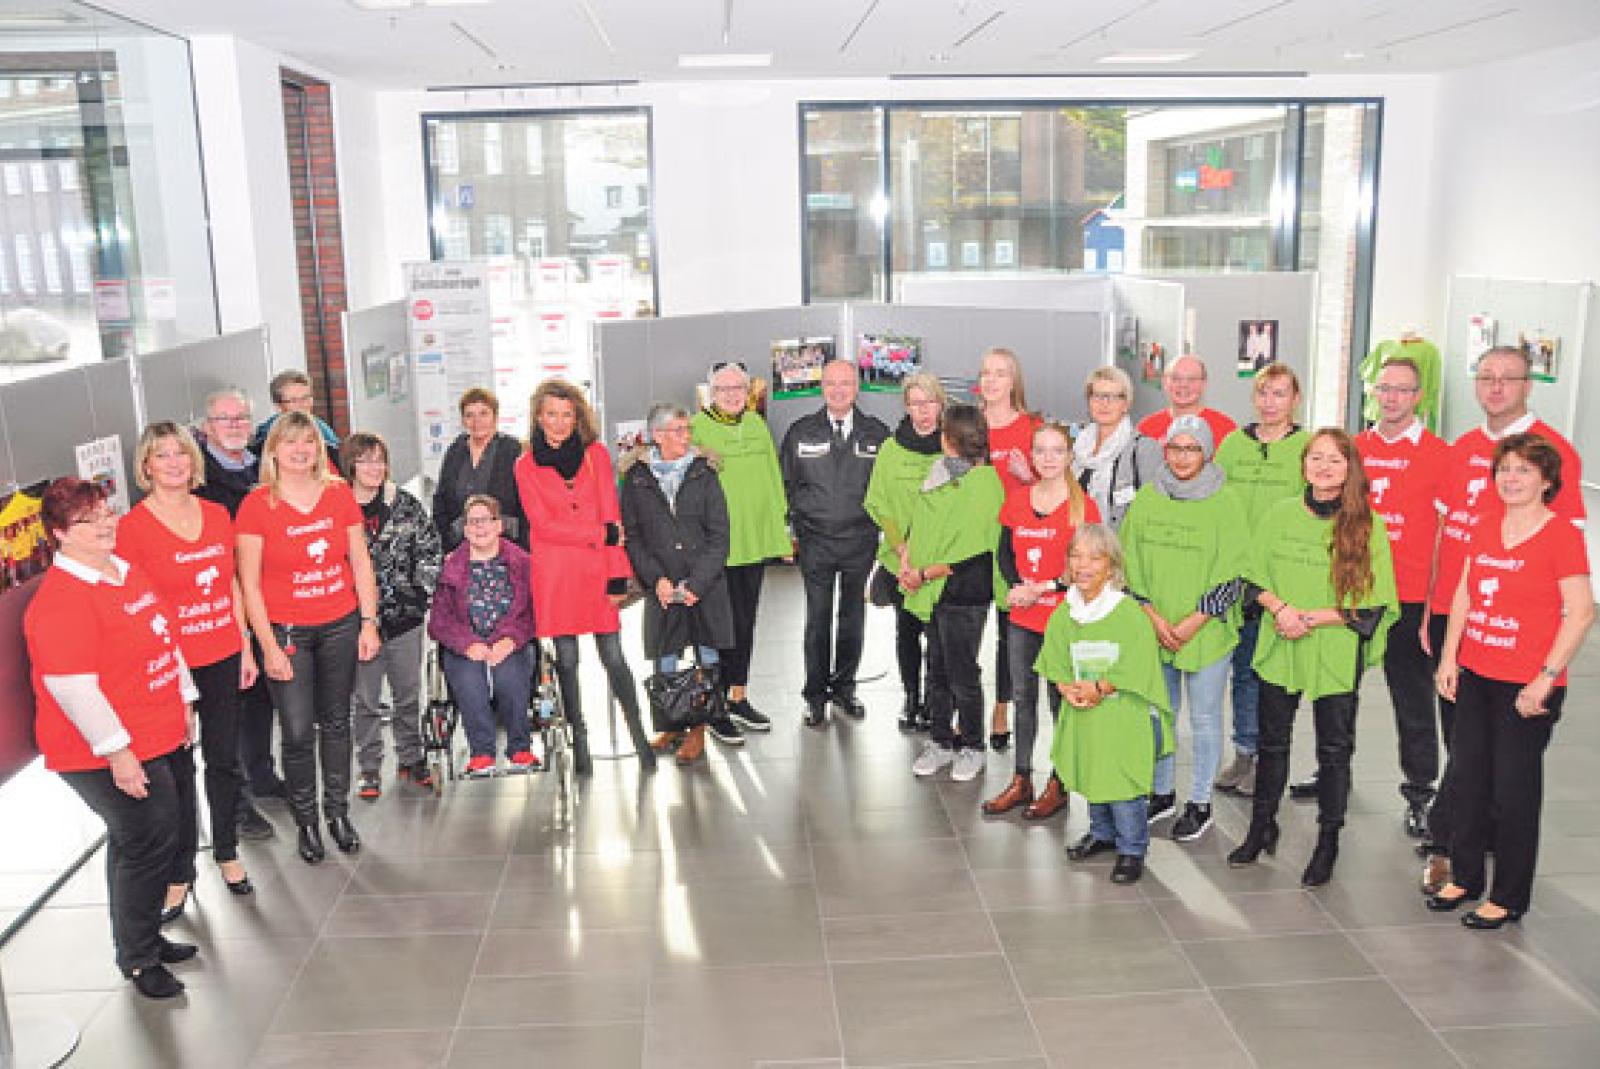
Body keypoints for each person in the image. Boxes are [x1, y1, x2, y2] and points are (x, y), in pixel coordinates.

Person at [24, 478, 200, 999]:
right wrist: (118, 754)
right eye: (88, 520)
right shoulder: (60, 600)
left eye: (106, 512)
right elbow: (74, 689)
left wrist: (184, 697)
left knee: (150, 839)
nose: (104, 524)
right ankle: (139, 958)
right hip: (99, 749)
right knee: (145, 840)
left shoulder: (123, 570)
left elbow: (164, 637)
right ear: (59, 533)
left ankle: (143, 938)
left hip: (156, 728)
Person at [1420, 345, 1585, 893]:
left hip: (1525, 654)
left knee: (1510, 773)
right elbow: (1451, 551)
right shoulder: (1465, 457)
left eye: (1507, 378)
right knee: (1466, 757)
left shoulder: (1556, 461)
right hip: (1464, 636)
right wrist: (1436, 623)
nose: (1495, 387)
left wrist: (1547, 671)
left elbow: (1575, 598)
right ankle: (1464, 853)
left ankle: (1464, 857)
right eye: (1485, 376)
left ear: (1527, 385)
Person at [1227, 429, 1396, 887]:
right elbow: (1250, 576)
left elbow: (1374, 604)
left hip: (1334, 644)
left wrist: (1313, 618)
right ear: (1302, 464)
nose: (1323, 467)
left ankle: (1328, 841)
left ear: (1349, 469)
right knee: (1272, 743)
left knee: (1334, 750)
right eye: (1316, 458)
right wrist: (1281, 610)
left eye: (1334, 460)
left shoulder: (1368, 525)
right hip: (1281, 638)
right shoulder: (1279, 515)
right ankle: (1262, 826)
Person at [116, 424, 257, 922]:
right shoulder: (131, 529)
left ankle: (227, 851)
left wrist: (244, 645)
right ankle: (180, 872)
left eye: (181, 453)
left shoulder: (217, 514)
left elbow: (232, 585)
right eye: (162, 455)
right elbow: (132, 606)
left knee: (224, 760)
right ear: (146, 466)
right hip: (168, 666)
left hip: (222, 651)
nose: (174, 463)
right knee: (177, 770)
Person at [236, 411, 382, 864]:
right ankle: (307, 822)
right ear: (274, 451)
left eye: (308, 442)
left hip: (340, 623)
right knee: (297, 731)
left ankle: (338, 814)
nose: (300, 451)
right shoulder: (256, 505)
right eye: (291, 442)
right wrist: (267, 646)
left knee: (336, 722)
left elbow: (360, 562)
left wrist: (369, 621)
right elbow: (249, 584)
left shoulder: (338, 495)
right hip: (286, 632)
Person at [516, 379, 655, 775]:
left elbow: (613, 517)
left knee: (615, 658)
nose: (560, 423)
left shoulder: (595, 455)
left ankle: (640, 738)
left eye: (567, 415)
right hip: (557, 578)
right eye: (551, 415)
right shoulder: (524, 465)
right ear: (538, 417)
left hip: (597, 573)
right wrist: (598, 534)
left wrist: (618, 574)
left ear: (577, 417)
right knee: (567, 662)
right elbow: (543, 526)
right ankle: (580, 742)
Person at [1120, 415, 1248, 842]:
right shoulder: (1148, 498)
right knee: (1161, 714)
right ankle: (1161, 792)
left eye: (1192, 448)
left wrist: (1194, 621)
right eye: (1175, 447)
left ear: (1207, 452)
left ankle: (1200, 802)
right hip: (1154, 625)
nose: (1182, 457)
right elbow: (1129, 560)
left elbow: (1235, 572)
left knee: (1205, 718)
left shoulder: (1227, 501)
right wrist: (1153, 615)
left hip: (1205, 629)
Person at [1338, 357, 1450, 837]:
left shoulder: (1440, 455)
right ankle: (1333, 776)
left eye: (1402, 389)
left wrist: (1432, 604)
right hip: (1355, 594)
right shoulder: (1354, 449)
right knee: (1339, 693)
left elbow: (1446, 534)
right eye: (1384, 388)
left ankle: (1420, 793)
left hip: (1409, 600)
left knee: (1412, 701)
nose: (1392, 397)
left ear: (1418, 397)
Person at [1038, 524, 1172, 885]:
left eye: (1095, 558)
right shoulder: (1065, 613)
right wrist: (1066, 688)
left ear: (1111, 567)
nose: (1083, 565)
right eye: (1076, 556)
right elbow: (1055, 657)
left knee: (1122, 781)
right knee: (1093, 771)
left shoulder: (1127, 613)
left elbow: (1137, 662)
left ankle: (1132, 848)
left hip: (1122, 713)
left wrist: (1100, 687)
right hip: (1084, 710)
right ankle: (1102, 833)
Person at [983, 422, 1099, 818]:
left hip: (1064, 619)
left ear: (1069, 457)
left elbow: (1087, 567)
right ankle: (1022, 779)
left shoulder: (1083, 507)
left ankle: (1059, 783)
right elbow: (1004, 553)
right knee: (1023, 699)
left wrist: (1043, 587)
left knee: (1059, 701)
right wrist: (1018, 587)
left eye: (1057, 451)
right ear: (1031, 456)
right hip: (1023, 617)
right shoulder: (1017, 500)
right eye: (1041, 451)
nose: (1048, 458)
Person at [1211, 364, 1310, 798]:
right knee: (1243, 670)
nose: (1270, 402)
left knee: (1274, 676)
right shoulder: (1234, 444)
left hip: (1282, 580)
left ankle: (1270, 759)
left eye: (1280, 394)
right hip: (1238, 578)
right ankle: (1245, 752)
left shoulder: (1306, 448)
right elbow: (1214, 503)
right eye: (1263, 393)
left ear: (1295, 399)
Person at [620, 403, 734, 767]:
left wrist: (697, 583)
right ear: (657, 435)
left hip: (704, 584)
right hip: (663, 587)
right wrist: (657, 580)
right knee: (664, 656)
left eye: (688, 430)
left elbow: (720, 536)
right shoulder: (635, 479)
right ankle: (671, 725)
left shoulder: (704, 473)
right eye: (678, 430)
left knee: (707, 656)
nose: (687, 437)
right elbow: (633, 538)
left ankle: (699, 728)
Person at [779, 358, 889, 727]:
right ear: (821, 387)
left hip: (860, 541)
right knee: (818, 618)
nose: (838, 390)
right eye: (831, 383)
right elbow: (787, 484)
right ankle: (815, 696)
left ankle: (844, 689)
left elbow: (886, 489)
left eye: (845, 383)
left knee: (853, 618)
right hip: (816, 542)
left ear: (857, 387)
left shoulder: (877, 434)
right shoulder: (800, 432)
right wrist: (794, 529)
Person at [903, 404, 1006, 783]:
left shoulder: (984, 484)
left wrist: (923, 573)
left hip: (964, 592)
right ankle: (940, 741)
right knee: (937, 670)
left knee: (963, 673)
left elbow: (970, 552)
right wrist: (908, 562)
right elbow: (923, 525)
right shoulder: (940, 473)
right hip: (933, 591)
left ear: (950, 438)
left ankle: (973, 747)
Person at [194, 387, 279, 840]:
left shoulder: (263, 467)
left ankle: (262, 775)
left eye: (242, 418)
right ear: (206, 427)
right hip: (221, 604)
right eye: (224, 419)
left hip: (266, 598)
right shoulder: (197, 479)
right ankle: (237, 805)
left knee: (261, 696)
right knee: (228, 708)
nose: (234, 426)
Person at [691, 361, 789, 738]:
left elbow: (773, 481)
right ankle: (715, 706)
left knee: (746, 624)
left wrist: (781, 533)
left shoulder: (757, 425)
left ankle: (738, 697)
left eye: (738, 389)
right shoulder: (697, 429)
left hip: (755, 544)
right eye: (724, 389)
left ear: (747, 393)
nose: (732, 395)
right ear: (712, 394)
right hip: (717, 551)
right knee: (719, 630)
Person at [345, 432, 442, 798]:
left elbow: (431, 550)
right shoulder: (338, 507)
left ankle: (411, 758)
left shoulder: (405, 504)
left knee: (407, 694)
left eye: (380, 460)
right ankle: (369, 767)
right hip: (358, 623)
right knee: (366, 700)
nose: (375, 468)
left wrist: (419, 593)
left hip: (405, 618)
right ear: (351, 466)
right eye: (366, 460)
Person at [428, 495, 539, 774]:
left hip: (510, 641)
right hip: (466, 644)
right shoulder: (450, 568)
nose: (480, 527)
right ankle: (481, 752)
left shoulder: (523, 563)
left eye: (486, 520)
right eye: (473, 522)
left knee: (510, 678)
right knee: (469, 682)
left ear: (499, 525)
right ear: (465, 529)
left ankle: (520, 747)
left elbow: (533, 611)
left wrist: (510, 639)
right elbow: (439, 620)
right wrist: (467, 644)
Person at [863, 373, 946, 732]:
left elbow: (961, 502)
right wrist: (901, 547)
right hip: (902, 560)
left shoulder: (953, 449)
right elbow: (878, 502)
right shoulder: (891, 449)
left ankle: (935, 701)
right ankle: (911, 698)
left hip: (940, 561)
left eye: (929, 403)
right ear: (906, 407)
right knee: (907, 631)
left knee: (937, 635)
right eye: (915, 404)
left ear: (940, 405)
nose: (923, 411)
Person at [977, 347, 1041, 751]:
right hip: (969, 542)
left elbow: (1053, 482)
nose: (992, 380)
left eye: (1000, 373)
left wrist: (1027, 475)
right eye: (986, 372)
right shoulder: (967, 426)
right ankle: (961, 706)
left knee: (1008, 631)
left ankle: (1001, 707)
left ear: (1014, 381)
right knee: (964, 628)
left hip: (1013, 541)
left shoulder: (1031, 428)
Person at [431, 387, 527, 552]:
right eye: (469, 415)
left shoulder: (513, 450)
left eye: (483, 413)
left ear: (495, 416)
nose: (477, 421)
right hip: (459, 548)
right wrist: (446, 545)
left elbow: (524, 507)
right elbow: (440, 501)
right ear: (463, 420)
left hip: (505, 547)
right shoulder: (455, 450)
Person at [1072, 365, 1160, 531]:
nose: (1104, 404)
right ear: (1089, 401)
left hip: (1119, 543)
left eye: (1113, 397)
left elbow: (1154, 511)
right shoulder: (1077, 447)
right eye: (1097, 396)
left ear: (1126, 404)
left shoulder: (1144, 449)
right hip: (1079, 541)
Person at [250, 369, 342, 472]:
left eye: (306, 398)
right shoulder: (265, 439)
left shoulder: (326, 433)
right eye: (294, 400)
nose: (302, 405)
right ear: (278, 406)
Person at [1135, 354, 1238, 446]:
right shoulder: (1146, 429)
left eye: (1192, 379)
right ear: (1165, 382)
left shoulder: (1226, 429)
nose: (1183, 385)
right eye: (1176, 378)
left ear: (1204, 384)